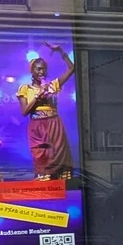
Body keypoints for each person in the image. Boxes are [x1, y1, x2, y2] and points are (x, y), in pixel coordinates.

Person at [17, 42, 76, 180]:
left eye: (44, 69)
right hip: (37, 125)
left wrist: (61, 51)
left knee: (58, 152)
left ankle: (60, 181)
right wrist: (38, 97)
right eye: (38, 69)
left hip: (54, 123)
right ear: (32, 71)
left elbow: (72, 68)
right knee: (40, 153)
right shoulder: (25, 88)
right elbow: (24, 111)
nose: (41, 72)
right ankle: (44, 179)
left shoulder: (53, 85)